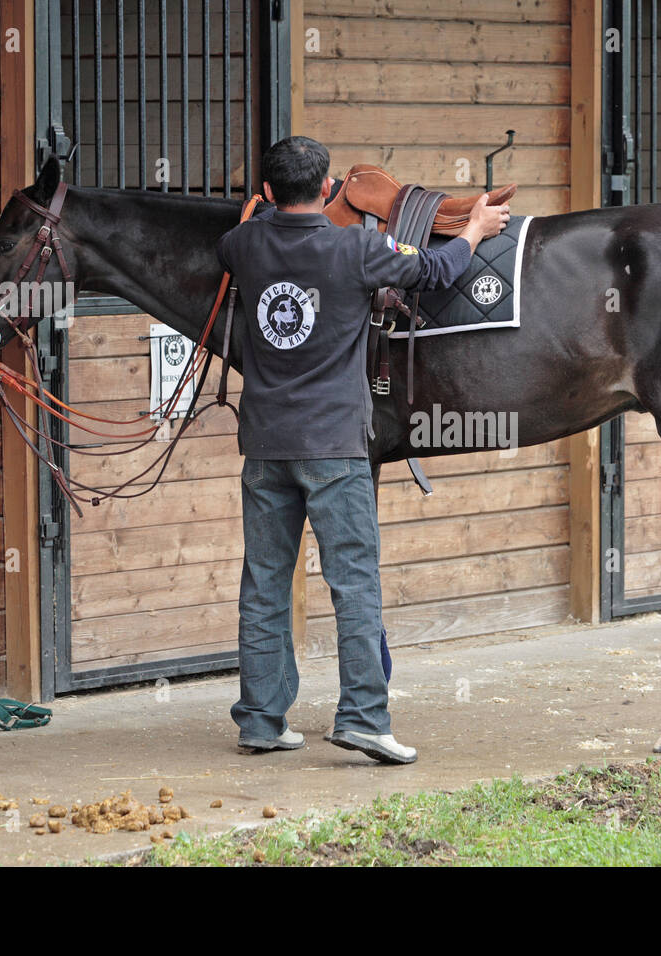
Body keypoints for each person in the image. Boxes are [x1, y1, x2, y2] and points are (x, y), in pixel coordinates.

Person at [216, 136, 509, 764]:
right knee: (352, 580)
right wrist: (475, 230)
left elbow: (245, 230)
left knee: (265, 580)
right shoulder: (355, 247)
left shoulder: (243, 245)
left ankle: (262, 721)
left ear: (267, 192)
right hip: (334, 446)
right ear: (327, 191)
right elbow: (434, 272)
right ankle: (364, 718)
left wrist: (264, 210)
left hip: (266, 445)